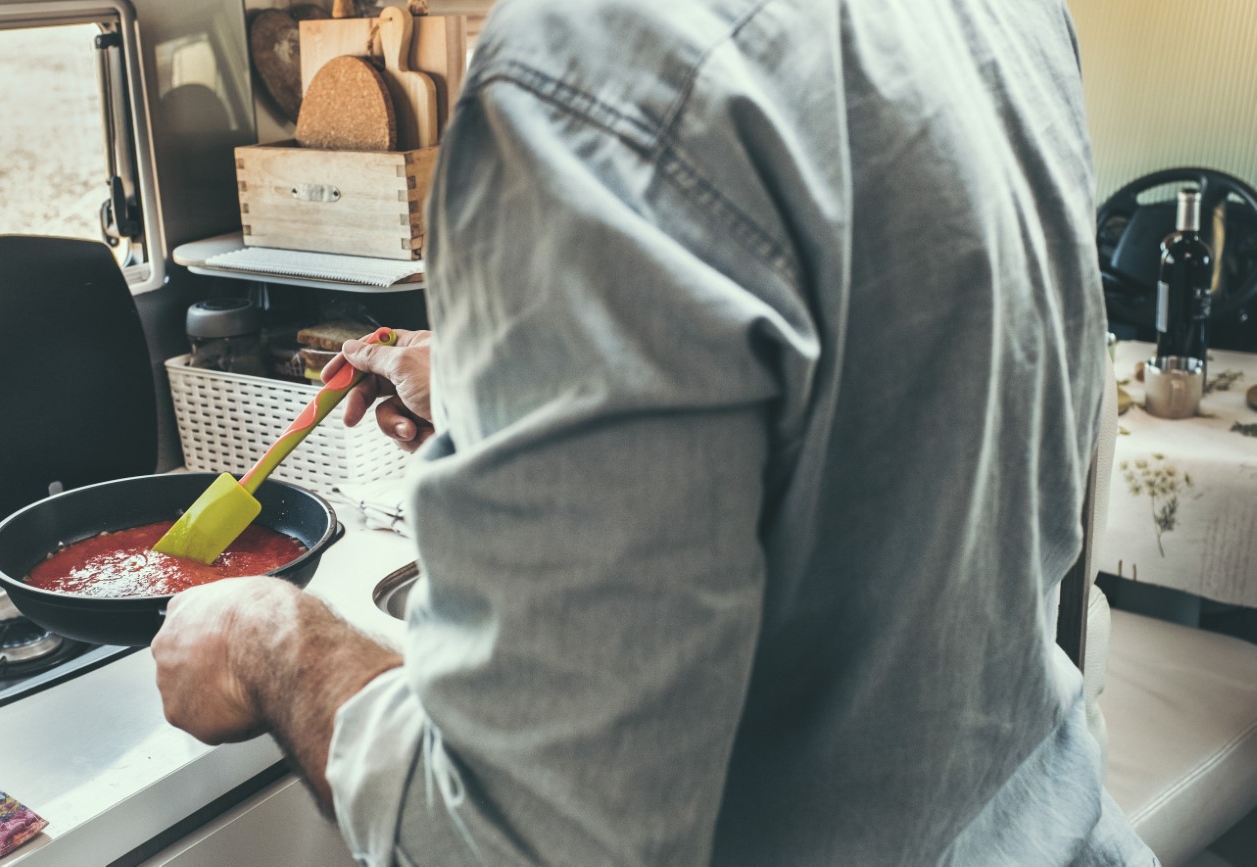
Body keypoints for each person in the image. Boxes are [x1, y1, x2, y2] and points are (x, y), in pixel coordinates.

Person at [152, 0, 1160, 863]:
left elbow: (522, 840)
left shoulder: (586, 65)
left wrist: (271, 641)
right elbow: (885, 401)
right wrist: (503, 389)